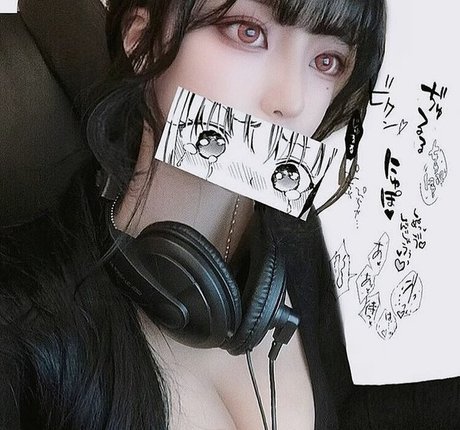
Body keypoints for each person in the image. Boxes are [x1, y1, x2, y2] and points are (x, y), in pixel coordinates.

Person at [0, 0, 400, 429]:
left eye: (326, 61)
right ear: (142, 42)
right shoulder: (21, 320)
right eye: (248, 32)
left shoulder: (307, 249)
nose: (291, 100)